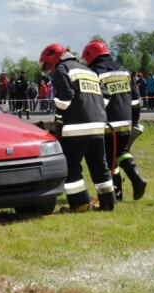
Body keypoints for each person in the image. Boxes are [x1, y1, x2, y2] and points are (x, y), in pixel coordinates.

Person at [39, 43, 116, 212]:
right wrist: (95, 112)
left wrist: (58, 118)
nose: (50, 70)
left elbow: (64, 100)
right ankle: (108, 202)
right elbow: (106, 95)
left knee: (71, 166)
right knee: (99, 165)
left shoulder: (62, 70)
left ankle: (79, 204)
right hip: (97, 125)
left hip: (76, 127)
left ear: (56, 59)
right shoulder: (88, 71)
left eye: (49, 65)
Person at [82, 40, 147, 201]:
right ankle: (132, 180)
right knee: (121, 152)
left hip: (107, 124)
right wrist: (134, 121)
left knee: (108, 158)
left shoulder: (94, 72)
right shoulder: (123, 70)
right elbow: (136, 100)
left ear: (90, 56)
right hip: (126, 122)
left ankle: (118, 191)